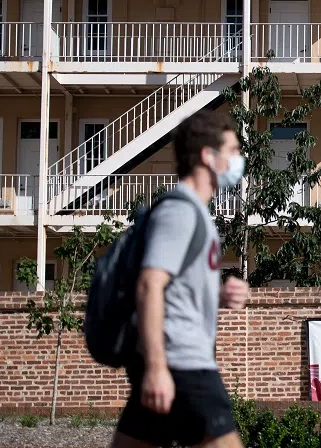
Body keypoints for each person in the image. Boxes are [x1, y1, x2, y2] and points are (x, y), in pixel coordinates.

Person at [112, 110, 250, 448]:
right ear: (208, 156)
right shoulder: (180, 211)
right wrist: (158, 368)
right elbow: (150, 284)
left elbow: (175, 288)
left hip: (173, 363)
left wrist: (217, 295)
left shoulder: (196, 212)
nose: (239, 160)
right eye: (232, 151)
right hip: (184, 364)